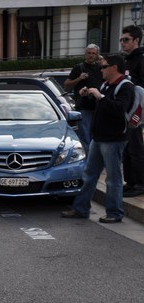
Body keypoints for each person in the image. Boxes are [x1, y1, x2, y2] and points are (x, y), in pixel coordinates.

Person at [62, 55, 134, 224]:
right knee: (89, 174)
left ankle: (114, 213)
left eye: (104, 67)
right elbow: (97, 107)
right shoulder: (106, 85)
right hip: (99, 137)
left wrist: (100, 97)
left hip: (114, 139)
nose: (100, 69)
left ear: (114, 68)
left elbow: (119, 109)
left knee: (113, 178)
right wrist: (87, 96)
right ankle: (81, 209)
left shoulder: (125, 87)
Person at [64, 44, 102, 154]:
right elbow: (66, 85)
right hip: (84, 107)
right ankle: (89, 161)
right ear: (85, 54)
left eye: (93, 53)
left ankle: (94, 159)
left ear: (97, 55)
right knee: (85, 136)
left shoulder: (101, 68)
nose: (91, 55)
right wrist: (79, 78)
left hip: (99, 106)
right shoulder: (79, 68)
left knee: (97, 135)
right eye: (89, 53)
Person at [120, 25, 144, 197]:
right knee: (127, 149)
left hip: (137, 110)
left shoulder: (141, 59)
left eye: (126, 40)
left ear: (136, 40)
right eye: (121, 40)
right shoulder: (127, 60)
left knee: (136, 148)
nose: (123, 43)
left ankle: (140, 184)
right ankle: (130, 182)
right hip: (126, 110)